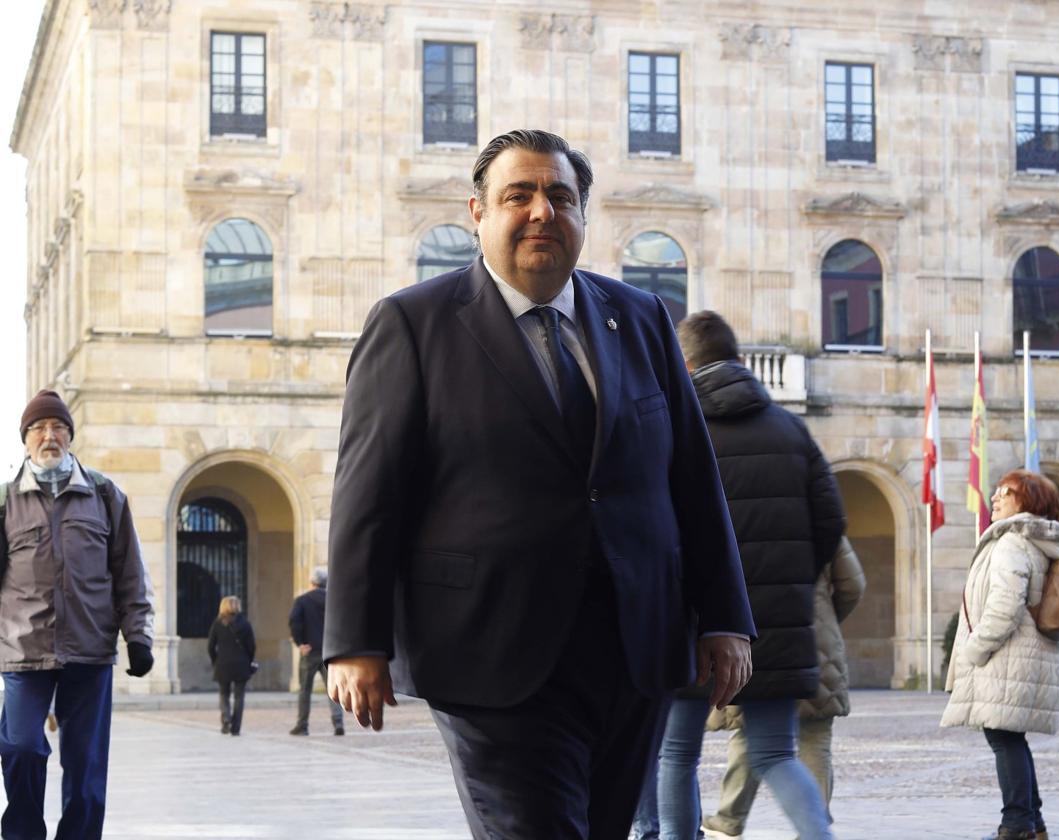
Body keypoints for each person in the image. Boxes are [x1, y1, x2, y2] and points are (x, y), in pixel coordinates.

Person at [323, 130, 755, 839]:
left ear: (583, 214)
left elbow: (690, 478)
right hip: (490, 652)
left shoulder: (641, 318)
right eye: (518, 195)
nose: (541, 213)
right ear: (477, 212)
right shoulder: (413, 324)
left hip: (633, 649)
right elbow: (367, 494)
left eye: (560, 196)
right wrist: (354, 639)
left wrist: (725, 616)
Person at [649, 311, 845, 840]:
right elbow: (831, 522)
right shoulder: (791, 430)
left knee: (677, 753)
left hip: (693, 618)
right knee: (777, 753)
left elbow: (653, 524)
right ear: (738, 360)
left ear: (683, 364)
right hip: (777, 618)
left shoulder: (673, 429)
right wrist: (788, 576)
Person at [0, 389, 155, 839]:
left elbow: (130, 573)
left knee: (86, 768)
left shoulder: (105, 495)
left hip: (89, 651)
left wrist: (138, 636)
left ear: (70, 435)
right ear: (25, 439)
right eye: (39, 429)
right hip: (23, 651)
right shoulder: (6, 501)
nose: (49, 436)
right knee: (21, 746)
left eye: (58, 427)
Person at [941, 469, 1059, 840]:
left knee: (1004, 738)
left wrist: (976, 647)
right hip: (1025, 657)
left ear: (1028, 501)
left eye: (1006, 492)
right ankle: (1032, 824)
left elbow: (1005, 606)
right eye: (996, 490)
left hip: (1008, 658)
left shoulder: (1012, 544)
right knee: (1010, 738)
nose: (994, 498)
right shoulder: (1032, 541)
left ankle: (1017, 824)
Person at [703, 535, 866, 839]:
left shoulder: (737, 514)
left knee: (749, 734)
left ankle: (729, 818)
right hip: (815, 640)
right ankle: (814, 827)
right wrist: (827, 617)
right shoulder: (817, 520)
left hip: (755, 638)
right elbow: (852, 585)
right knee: (814, 737)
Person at [288, 566, 344, 736]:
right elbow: (342, 623)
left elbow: (294, 622)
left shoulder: (302, 600)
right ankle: (338, 723)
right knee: (333, 691)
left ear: (312, 582)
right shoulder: (334, 600)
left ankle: (302, 725)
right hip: (330, 651)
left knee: (305, 690)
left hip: (310, 651)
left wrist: (300, 643)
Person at [207, 595, 255, 736]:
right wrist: (249, 660)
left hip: (223, 664)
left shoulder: (217, 623)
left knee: (224, 694)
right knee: (239, 697)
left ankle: (226, 719)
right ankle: (236, 728)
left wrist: (215, 660)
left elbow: (210, 646)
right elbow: (251, 646)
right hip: (241, 664)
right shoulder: (245, 624)